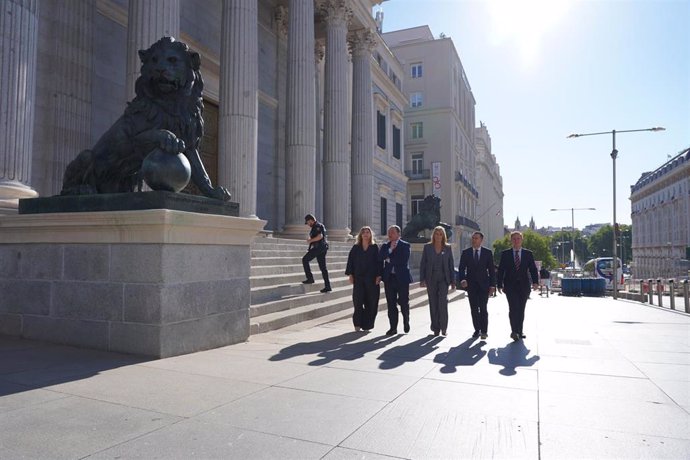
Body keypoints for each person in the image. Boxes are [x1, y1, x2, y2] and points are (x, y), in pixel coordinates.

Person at [496, 231, 539, 341]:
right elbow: (501, 270)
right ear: (511, 241)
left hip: (524, 286)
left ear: (522, 240)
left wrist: (535, 282)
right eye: (514, 238)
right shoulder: (505, 254)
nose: (516, 240)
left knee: (521, 309)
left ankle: (520, 331)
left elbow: (533, 269)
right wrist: (499, 284)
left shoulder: (528, 254)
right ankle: (514, 331)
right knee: (513, 308)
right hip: (510, 286)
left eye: (518, 238)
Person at [457, 231, 496, 340]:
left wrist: (493, 285)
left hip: (484, 286)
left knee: (483, 308)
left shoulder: (487, 253)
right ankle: (477, 329)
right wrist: (463, 279)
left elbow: (492, 270)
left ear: (481, 240)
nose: (474, 240)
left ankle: (484, 331)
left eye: (476, 238)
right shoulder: (466, 253)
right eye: (473, 238)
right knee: (474, 309)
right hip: (471, 285)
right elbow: (461, 268)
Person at [419, 226, 456, 336]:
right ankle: (435, 327)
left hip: (444, 279)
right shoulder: (427, 247)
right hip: (431, 278)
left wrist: (453, 281)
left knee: (442, 303)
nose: (438, 236)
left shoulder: (447, 248)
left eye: (440, 234)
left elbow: (451, 265)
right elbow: (423, 264)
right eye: (436, 234)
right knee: (433, 303)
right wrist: (422, 279)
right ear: (433, 235)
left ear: (443, 236)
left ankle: (443, 327)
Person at [345, 226, 382, 332]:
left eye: (368, 232)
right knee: (358, 301)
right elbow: (350, 261)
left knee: (371, 302)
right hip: (358, 278)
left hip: (372, 279)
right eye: (363, 232)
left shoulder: (375, 247)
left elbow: (379, 262)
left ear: (370, 235)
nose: (366, 234)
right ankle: (357, 323)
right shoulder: (356, 248)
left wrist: (379, 276)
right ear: (360, 235)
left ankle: (367, 325)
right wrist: (350, 274)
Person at [379, 225, 413, 335]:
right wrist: (390, 250)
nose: (390, 234)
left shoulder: (405, 245)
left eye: (392, 232)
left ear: (398, 234)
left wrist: (389, 259)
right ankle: (393, 327)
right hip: (389, 278)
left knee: (403, 302)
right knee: (391, 304)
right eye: (389, 232)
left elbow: (403, 260)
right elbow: (380, 257)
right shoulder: (385, 246)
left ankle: (406, 320)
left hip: (402, 278)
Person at [301, 214, 331, 293]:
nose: (307, 224)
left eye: (307, 222)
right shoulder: (318, 226)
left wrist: (310, 240)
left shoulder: (316, 225)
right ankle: (328, 286)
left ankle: (310, 278)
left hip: (319, 248)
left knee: (305, 260)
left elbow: (320, 236)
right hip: (321, 248)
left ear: (310, 220)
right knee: (323, 268)